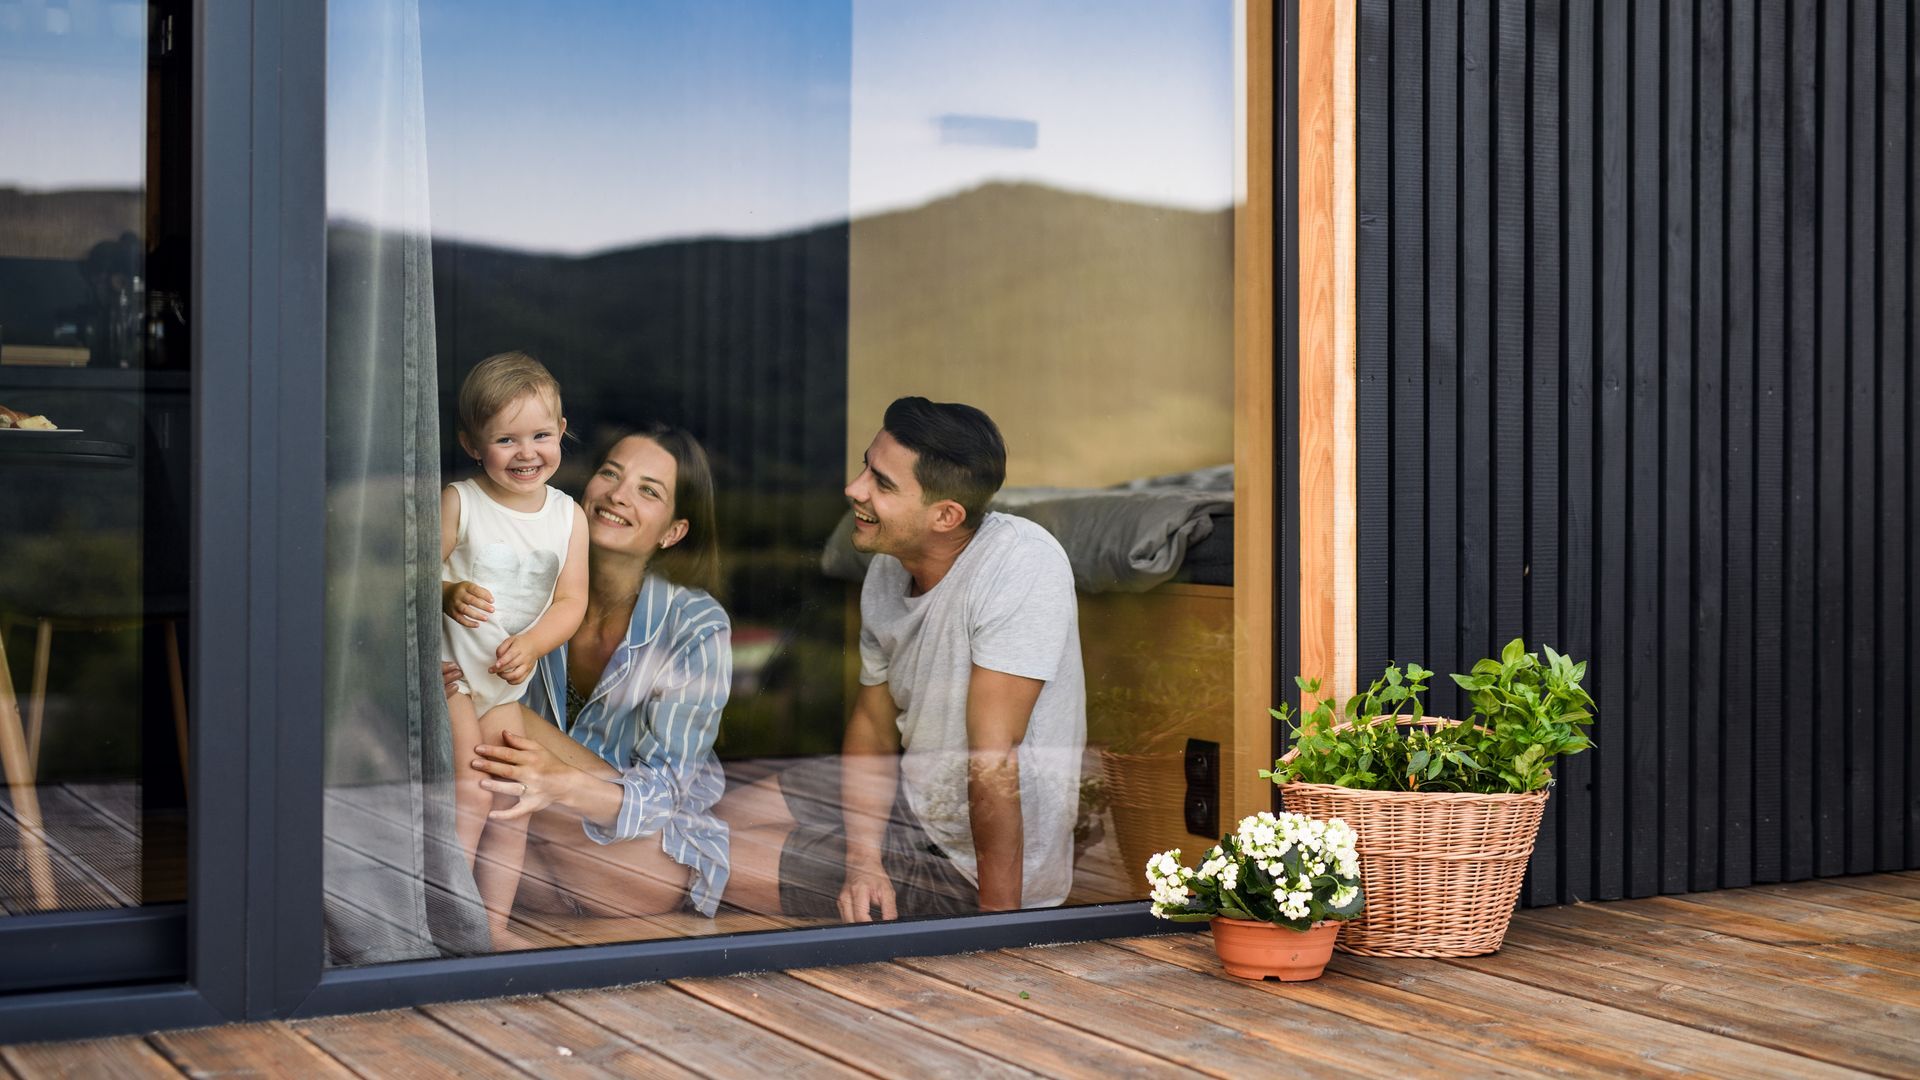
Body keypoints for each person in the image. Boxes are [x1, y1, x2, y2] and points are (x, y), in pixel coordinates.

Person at [719, 397, 1085, 921]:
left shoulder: (1021, 564)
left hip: (969, 868)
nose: (853, 489)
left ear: (945, 516)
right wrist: (864, 860)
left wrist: (999, 932)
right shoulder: (889, 568)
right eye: (866, 465)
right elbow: (872, 724)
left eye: (882, 483)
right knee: (717, 822)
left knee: (697, 859)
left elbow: (993, 762)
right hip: (911, 799)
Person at [460, 425, 731, 933]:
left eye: (649, 491)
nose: (618, 495)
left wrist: (558, 783)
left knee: (493, 703)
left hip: (638, 856)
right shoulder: (525, 580)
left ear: (672, 532)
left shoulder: (693, 624)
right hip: (526, 833)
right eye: (611, 473)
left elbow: (664, 796)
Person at [438, 351, 590, 949]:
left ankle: (492, 927)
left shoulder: (567, 517)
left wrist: (531, 643)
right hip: (449, 674)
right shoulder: (462, 502)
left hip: (502, 682)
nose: (527, 453)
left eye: (541, 435)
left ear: (561, 432)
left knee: (513, 799)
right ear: (473, 444)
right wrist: (447, 592)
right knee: (471, 791)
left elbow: (570, 602)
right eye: (506, 438)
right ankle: (444, 922)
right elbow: (404, 577)